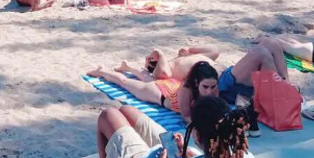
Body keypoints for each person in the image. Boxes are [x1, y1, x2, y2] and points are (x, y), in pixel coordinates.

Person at [87, 60, 220, 123]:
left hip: (172, 86)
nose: (209, 91)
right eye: (205, 87)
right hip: (160, 94)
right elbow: (186, 116)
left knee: (148, 78)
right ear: (196, 83)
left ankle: (129, 67)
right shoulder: (187, 90)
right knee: (126, 83)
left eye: (212, 87)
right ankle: (102, 71)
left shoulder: (213, 86)